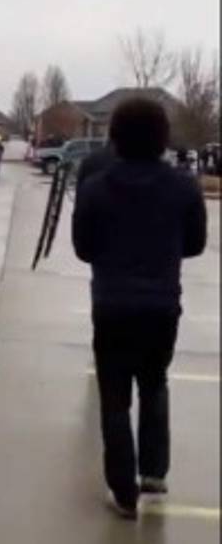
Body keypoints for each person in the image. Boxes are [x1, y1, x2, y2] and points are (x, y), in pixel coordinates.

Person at [72, 97, 207, 520]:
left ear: (115, 136)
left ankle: (123, 489)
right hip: (162, 303)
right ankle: (154, 471)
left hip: (111, 302)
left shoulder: (97, 186)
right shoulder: (183, 185)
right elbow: (196, 244)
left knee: (115, 397)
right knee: (154, 383)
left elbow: (83, 247)